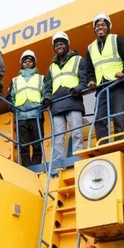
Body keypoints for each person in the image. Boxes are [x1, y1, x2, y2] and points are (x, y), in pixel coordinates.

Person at [85, 13, 124, 142]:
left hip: (117, 84)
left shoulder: (117, 39)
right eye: (97, 26)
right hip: (101, 89)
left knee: (118, 116)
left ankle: (118, 141)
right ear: (94, 29)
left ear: (108, 27)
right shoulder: (90, 48)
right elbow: (90, 70)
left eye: (103, 25)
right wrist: (92, 81)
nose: (100, 27)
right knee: (99, 119)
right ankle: (103, 145)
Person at [42, 32, 86, 163]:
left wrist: (77, 89)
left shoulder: (78, 60)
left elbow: (84, 80)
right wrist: (47, 97)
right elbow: (48, 87)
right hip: (56, 105)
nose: (58, 47)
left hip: (73, 102)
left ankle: (78, 159)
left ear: (67, 45)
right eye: (56, 45)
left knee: (76, 133)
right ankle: (57, 164)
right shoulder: (51, 67)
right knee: (58, 137)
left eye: (61, 44)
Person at [6, 50, 44, 167]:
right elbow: (10, 97)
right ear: (21, 64)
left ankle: (36, 167)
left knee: (38, 145)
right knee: (23, 146)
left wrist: (41, 106)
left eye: (30, 61)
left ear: (34, 64)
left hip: (36, 115)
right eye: (25, 61)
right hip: (21, 117)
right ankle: (27, 169)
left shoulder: (41, 78)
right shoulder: (14, 80)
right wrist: (13, 107)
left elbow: (46, 93)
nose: (27, 63)